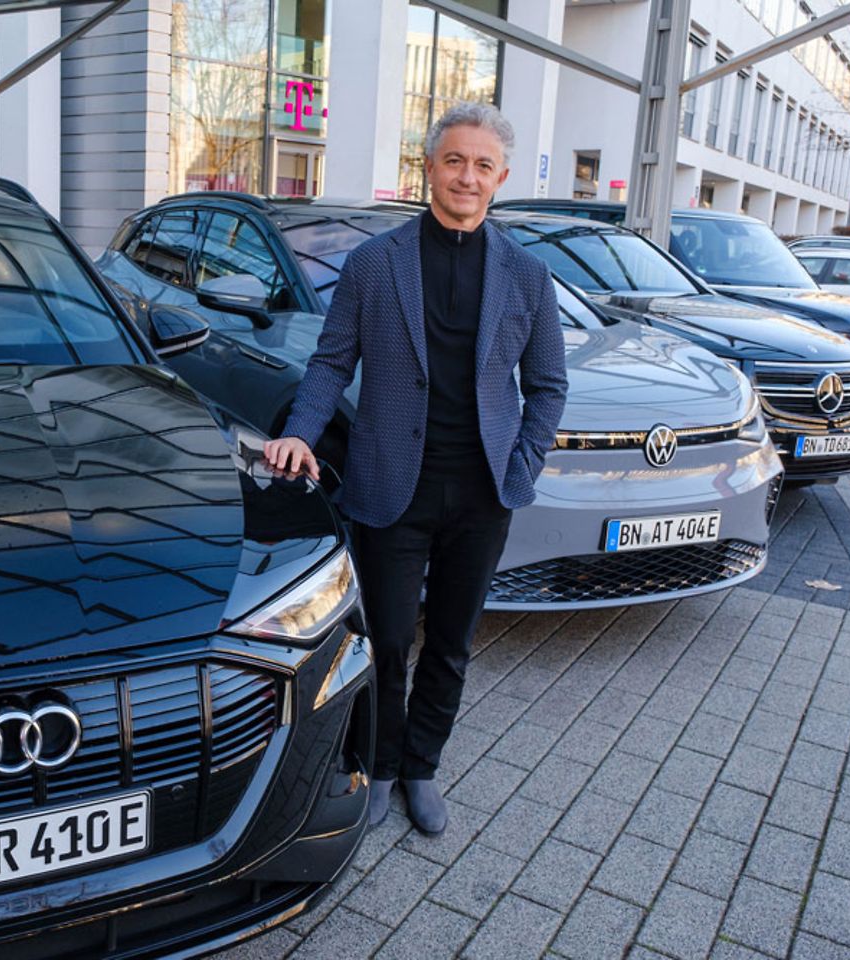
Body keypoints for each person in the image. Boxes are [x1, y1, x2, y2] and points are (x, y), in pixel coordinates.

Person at [263, 102, 568, 834]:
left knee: (454, 644)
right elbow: (332, 361)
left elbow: (549, 387)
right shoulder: (375, 264)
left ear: (502, 177)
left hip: (483, 489)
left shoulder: (528, 277)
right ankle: (382, 764)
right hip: (391, 482)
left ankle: (424, 767)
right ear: (428, 166)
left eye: (483, 164)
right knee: (391, 640)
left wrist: (522, 464)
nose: (468, 175)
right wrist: (300, 433)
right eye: (454, 160)